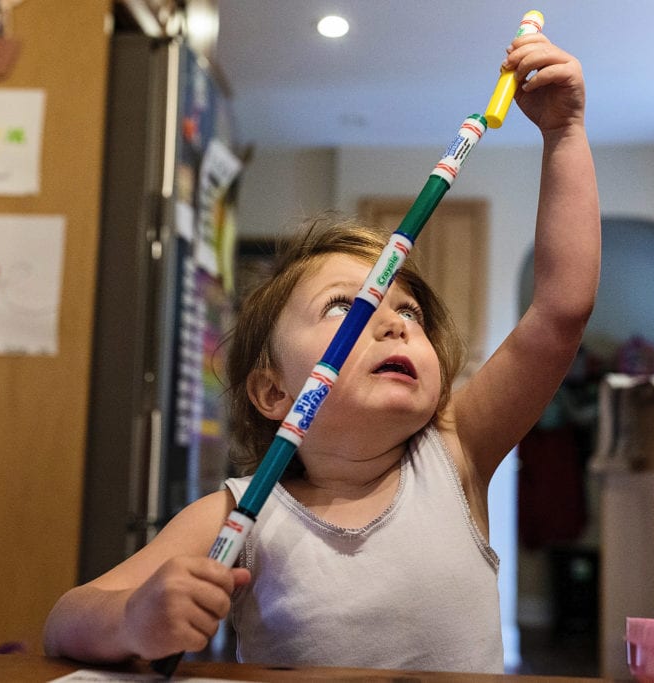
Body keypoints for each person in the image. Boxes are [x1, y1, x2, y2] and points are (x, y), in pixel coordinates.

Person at [43, 31, 600, 674]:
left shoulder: (456, 454)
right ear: (273, 391)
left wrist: (564, 134)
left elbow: (561, 310)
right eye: (348, 306)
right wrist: (135, 617)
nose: (393, 323)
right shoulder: (241, 510)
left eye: (409, 312)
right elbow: (66, 619)